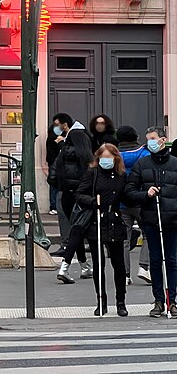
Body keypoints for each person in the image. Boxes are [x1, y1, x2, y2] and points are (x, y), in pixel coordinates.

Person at [124, 126, 177, 318]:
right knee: (155, 261)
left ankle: (173, 300)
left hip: (172, 220)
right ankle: (158, 300)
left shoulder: (175, 164)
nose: (150, 143)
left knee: (172, 261)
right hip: (151, 219)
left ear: (163, 140)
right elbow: (129, 191)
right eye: (148, 139)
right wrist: (145, 194)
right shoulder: (142, 164)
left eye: (153, 139)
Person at [75, 144, 129, 316]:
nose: (106, 161)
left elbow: (127, 196)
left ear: (116, 158)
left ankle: (121, 302)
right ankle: (101, 300)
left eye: (110, 157)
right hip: (96, 221)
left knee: (118, 264)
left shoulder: (121, 176)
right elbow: (79, 194)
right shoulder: (93, 173)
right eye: (103, 157)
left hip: (114, 220)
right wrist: (92, 201)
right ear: (98, 158)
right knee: (99, 264)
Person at [53, 112, 94, 283]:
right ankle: (66, 266)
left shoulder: (64, 153)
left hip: (67, 195)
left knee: (75, 230)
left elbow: (55, 175)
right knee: (78, 232)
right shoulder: (85, 158)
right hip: (82, 196)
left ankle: (84, 266)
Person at [117, 125, 150, 285]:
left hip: (122, 201)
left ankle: (124, 274)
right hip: (141, 199)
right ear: (136, 137)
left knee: (124, 239)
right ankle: (144, 266)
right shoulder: (144, 154)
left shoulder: (115, 155)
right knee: (148, 234)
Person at [46, 125, 61, 216]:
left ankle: (55, 206)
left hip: (55, 163)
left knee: (54, 186)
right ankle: (54, 206)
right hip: (55, 164)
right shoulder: (52, 138)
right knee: (54, 186)